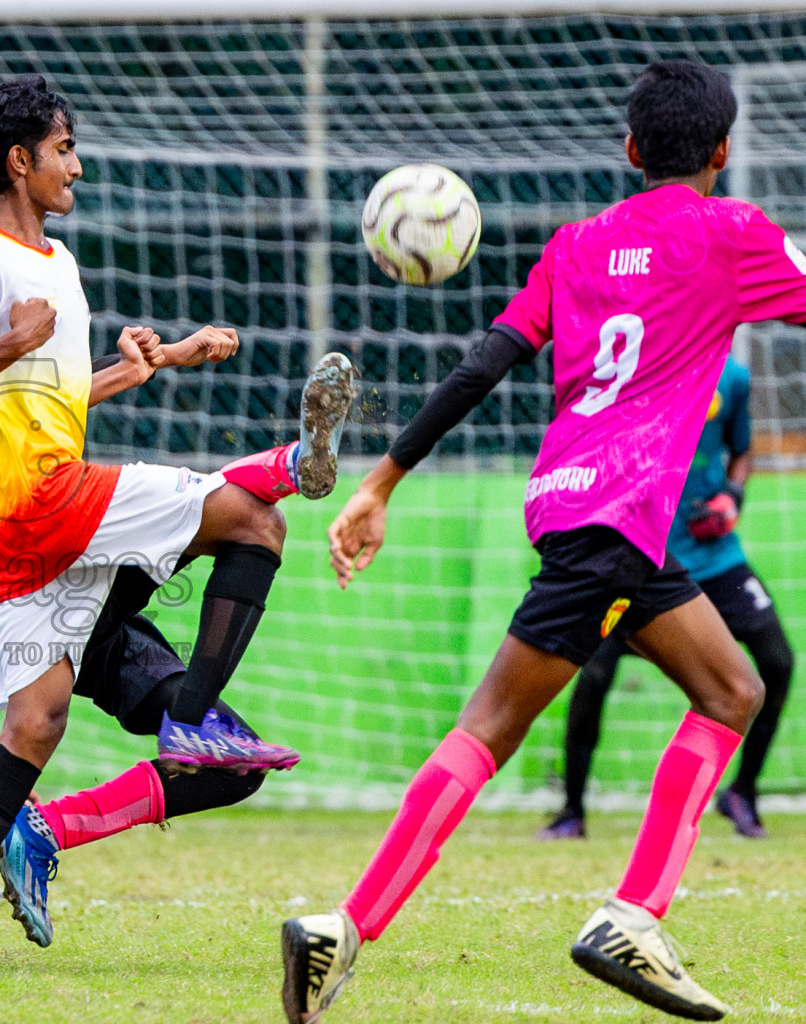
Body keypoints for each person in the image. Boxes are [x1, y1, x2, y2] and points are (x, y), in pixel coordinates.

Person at [282, 60, 806, 1023]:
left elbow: (486, 362)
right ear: (724, 153)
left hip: (579, 508)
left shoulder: (577, 244)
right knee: (490, 728)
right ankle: (354, 925)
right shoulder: (736, 233)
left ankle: (629, 917)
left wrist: (385, 477)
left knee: (732, 688)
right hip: (620, 517)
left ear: (631, 150)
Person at [0, 74, 356, 977]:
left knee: (39, 723)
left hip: (36, 529)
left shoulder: (53, 263)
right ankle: (292, 468)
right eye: (63, 150)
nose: (78, 166)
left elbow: (36, 397)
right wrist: (9, 344)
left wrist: (150, 363)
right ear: (20, 161)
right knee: (249, 518)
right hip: (31, 509)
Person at [0, 334, 353, 956]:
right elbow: (40, 397)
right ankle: (285, 467)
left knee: (233, 768)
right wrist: (146, 366)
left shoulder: (30, 394)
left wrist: (156, 360)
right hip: (14, 578)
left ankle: (46, 832)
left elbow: (60, 391)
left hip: (79, 586)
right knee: (228, 515)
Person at [538, 356, 793, 841]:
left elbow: (741, 452)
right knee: (592, 674)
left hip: (716, 559)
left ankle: (742, 792)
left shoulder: (734, 378)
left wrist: (732, 498)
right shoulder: (637, 366)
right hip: (640, 558)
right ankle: (572, 810)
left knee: (777, 661)